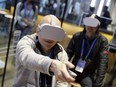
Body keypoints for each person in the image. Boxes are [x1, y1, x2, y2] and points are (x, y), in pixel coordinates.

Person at [13, 14, 75, 87]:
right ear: (38, 30)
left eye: (55, 33)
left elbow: (61, 82)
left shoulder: (61, 53)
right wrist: (52, 65)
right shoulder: (25, 42)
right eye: (46, 31)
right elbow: (27, 58)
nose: (50, 38)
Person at [66, 14, 109, 87]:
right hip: (73, 70)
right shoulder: (77, 36)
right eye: (88, 22)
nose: (90, 26)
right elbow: (67, 54)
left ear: (98, 25)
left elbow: (103, 64)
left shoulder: (102, 41)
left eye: (93, 23)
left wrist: (97, 84)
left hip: (88, 74)